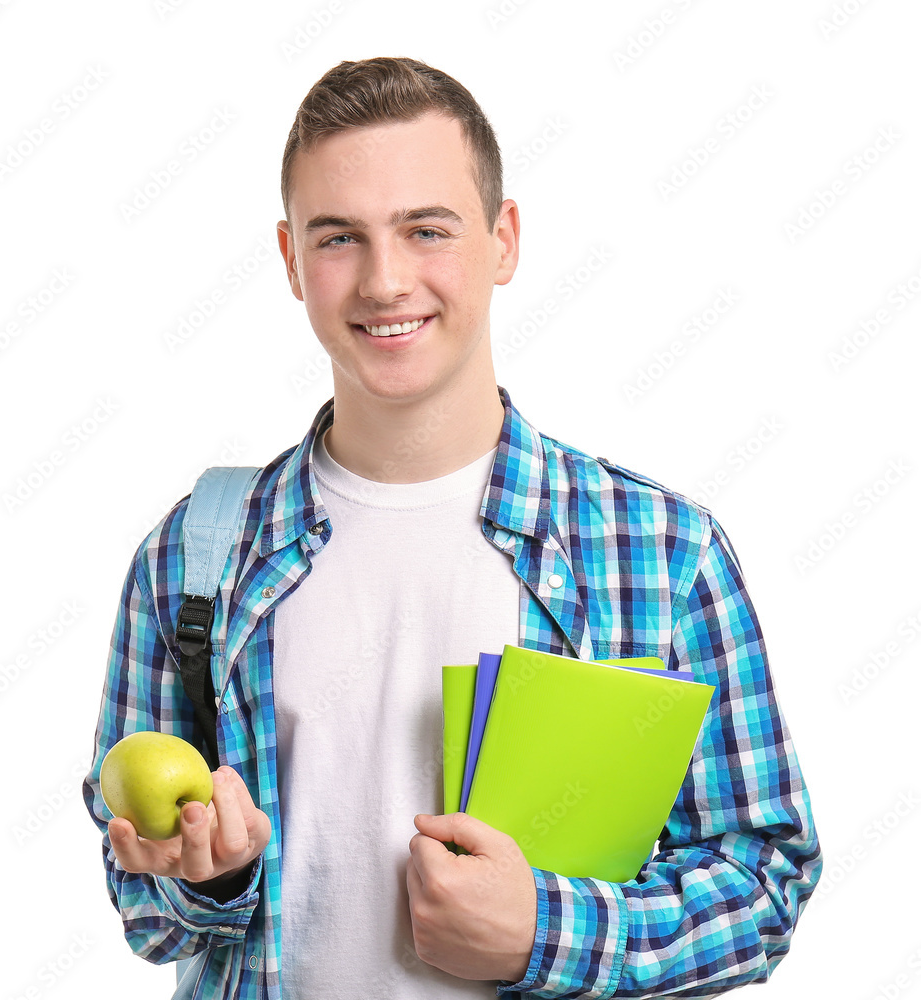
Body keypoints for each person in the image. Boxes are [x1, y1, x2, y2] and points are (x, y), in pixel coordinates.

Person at [83, 56, 821, 1000]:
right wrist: (212, 877)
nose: (386, 281)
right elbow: (141, 905)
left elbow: (767, 882)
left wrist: (545, 934)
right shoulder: (192, 560)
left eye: (426, 229)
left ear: (503, 240)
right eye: (339, 237)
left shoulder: (663, 551)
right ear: (290, 262)